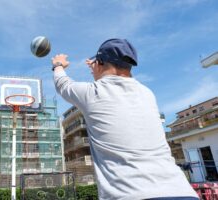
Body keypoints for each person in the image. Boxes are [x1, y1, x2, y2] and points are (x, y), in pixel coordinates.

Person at [51, 38, 199, 200]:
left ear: (99, 62)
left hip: (130, 194)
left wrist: (58, 65)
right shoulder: (147, 93)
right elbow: (118, 81)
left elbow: (63, 84)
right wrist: (99, 69)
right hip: (182, 191)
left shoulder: (92, 93)